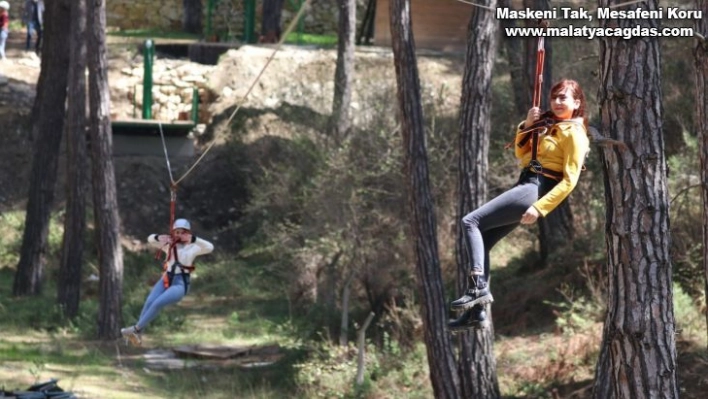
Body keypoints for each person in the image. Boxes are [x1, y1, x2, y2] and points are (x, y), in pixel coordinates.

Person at [448, 79, 590, 332]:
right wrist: (527, 125)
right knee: (485, 238)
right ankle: (477, 313)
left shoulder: (575, 134)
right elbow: (521, 154)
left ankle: (477, 288)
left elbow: (570, 180)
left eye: (564, 98)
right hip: (526, 182)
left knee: (471, 221)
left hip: (536, 188)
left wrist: (539, 208)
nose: (557, 102)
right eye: (554, 97)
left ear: (576, 103)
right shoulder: (549, 126)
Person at [121, 218, 214, 346]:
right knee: (149, 301)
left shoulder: (193, 248)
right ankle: (138, 335)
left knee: (158, 303)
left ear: (188, 233)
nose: (180, 235)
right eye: (177, 232)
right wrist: (161, 237)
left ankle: (135, 330)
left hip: (180, 283)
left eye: (183, 232)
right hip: (165, 279)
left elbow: (210, 247)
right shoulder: (169, 245)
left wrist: (194, 239)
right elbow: (150, 239)